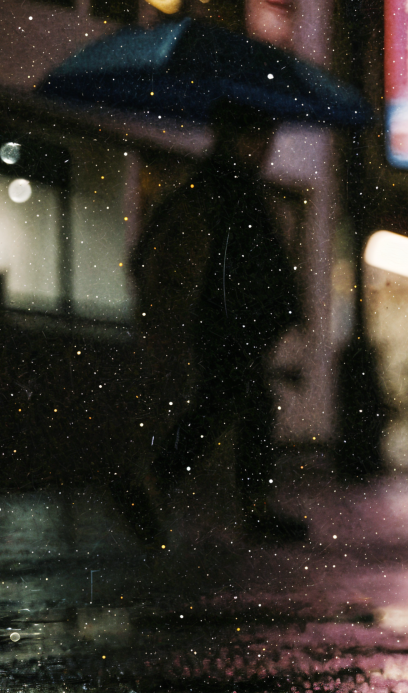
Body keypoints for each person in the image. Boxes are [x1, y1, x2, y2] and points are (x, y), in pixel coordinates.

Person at [124, 99, 309, 545]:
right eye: (258, 136)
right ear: (234, 135)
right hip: (226, 326)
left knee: (233, 406)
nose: (265, 147)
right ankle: (163, 483)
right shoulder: (220, 187)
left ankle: (163, 484)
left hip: (234, 324)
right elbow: (237, 265)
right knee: (231, 406)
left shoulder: (229, 186)